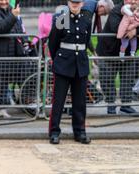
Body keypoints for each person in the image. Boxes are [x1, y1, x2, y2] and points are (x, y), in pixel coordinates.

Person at [48, 0, 92, 145]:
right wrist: (58, 60)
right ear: (68, 3)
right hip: (63, 64)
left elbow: (86, 41)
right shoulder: (62, 19)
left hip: (80, 65)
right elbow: (53, 42)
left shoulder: (86, 19)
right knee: (58, 101)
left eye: (77, 2)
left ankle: (80, 132)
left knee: (80, 102)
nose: (75, 4)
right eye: (73, 2)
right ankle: (54, 132)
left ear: (82, 3)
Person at [96, 0, 139, 115]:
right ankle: (111, 105)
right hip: (108, 51)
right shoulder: (116, 11)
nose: (133, 1)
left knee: (127, 80)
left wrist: (135, 30)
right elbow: (116, 28)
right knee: (107, 79)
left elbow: (131, 32)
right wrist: (134, 29)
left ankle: (126, 105)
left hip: (128, 53)